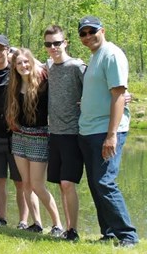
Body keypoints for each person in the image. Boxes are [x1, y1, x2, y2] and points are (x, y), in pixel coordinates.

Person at [77, 16, 139, 247]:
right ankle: (109, 232)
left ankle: (128, 236)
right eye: (83, 33)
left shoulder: (111, 54)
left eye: (92, 31)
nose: (87, 36)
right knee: (96, 183)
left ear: (102, 30)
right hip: (89, 131)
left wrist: (112, 135)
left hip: (106, 131)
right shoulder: (95, 57)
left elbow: (119, 94)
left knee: (105, 182)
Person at [5, 48, 63, 236]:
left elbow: (52, 64)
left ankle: (57, 224)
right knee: (26, 183)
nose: (23, 66)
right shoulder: (14, 84)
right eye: (19, 63)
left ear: (32, 61)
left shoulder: (43, 81)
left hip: (39, 136)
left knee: (38, 185)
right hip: (19, 136)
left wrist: (34, 61)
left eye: (26, 62)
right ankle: (36, 223)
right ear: (14, 66)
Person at [0, 35, 33, 229]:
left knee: (21, 182)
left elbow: (37, 67)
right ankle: (1, 218)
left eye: (1, 49)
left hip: (16, 133)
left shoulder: (16, 72)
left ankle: (23, 221)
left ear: (7, 51)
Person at [43, 25, 85, 241]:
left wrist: (124, 95)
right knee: (61, 184)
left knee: (68, 183)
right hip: (54, 134)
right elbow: (23, 62)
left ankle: (74, 230)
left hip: (74, 134)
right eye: (48, 44)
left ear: (65, 42)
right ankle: (68, 229)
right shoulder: (48, 66)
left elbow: (98, 87)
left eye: (57, 43)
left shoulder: (77, 66)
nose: (53, 47)